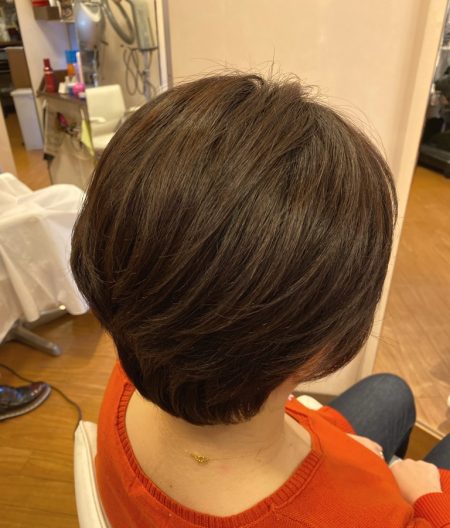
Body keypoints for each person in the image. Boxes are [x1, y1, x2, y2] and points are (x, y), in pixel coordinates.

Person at [71, 74, 450, 527]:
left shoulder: (139, 355)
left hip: (303, 445)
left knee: (390, 391)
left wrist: (339, 443)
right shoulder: (371, 517)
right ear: (317, 347)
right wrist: (429, 498)